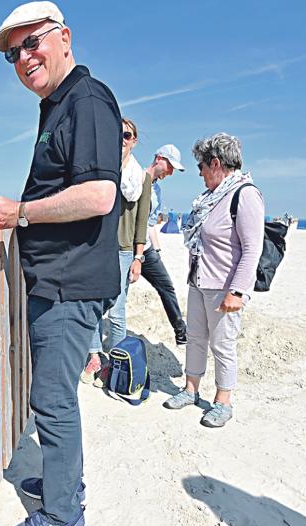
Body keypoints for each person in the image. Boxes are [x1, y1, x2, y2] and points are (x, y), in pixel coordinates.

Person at [0, 1, 122, 526]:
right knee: (57, 395)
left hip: (70, 284)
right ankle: (66, 485)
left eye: (32, 42)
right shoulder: (58, 105)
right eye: (13, 54)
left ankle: (64, 516)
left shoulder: (86, 100)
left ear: (64, 37)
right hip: (57, 281)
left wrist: (20, 212)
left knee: (52, 399)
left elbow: (99, 195)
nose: (24, 57)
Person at [164, 132, 264, 428]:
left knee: (222, 344)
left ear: (216, 163)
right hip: (199, 281)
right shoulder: (210, 197)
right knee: (196, 338)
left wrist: (237, 292)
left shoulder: (245, 194)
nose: (200, 173)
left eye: (201, 166)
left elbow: (252, 249)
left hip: (224, 287)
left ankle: (223, 402)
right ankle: (190, 389)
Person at [80, 117, 151, 384]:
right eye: (118, 133)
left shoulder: (141, 177)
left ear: (134, 141)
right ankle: (95, 356)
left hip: (123, 250)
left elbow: (142, 221)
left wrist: (138, 257)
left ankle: (117, 362)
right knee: (93, 304)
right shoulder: (101, 170)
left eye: (127, 135)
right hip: (97, 246)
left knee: (117, 310)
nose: (122, 139)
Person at [140, 144, 189, 345]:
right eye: (170, 167)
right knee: (114, 295)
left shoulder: (157, 191)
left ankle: (181, 332)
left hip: (145, 249)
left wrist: (157, 250)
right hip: (125, 248)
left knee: (166, 286)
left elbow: (150, 225)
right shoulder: (135, 177)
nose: (170, 173)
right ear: (159, 158)